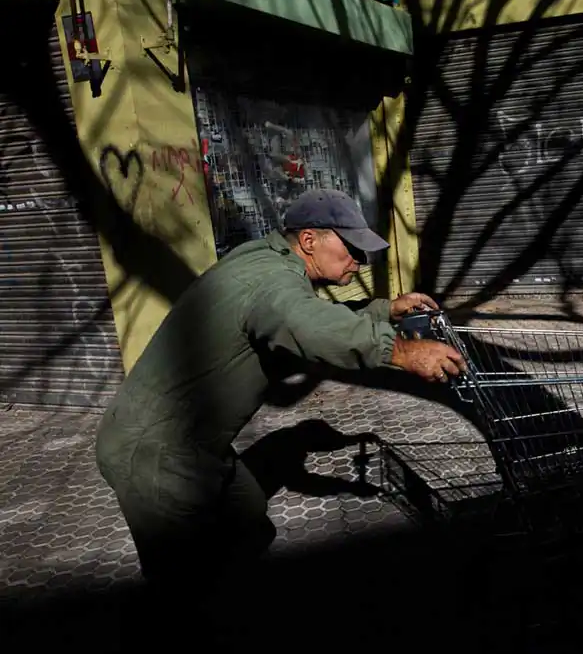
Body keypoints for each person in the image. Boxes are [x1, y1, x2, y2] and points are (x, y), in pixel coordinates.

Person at [95, 188, 467, 587]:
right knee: (184, 580)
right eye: (352, 250)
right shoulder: (272, 281)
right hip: (155, 452)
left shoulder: (266, 259)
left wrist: (383, 309)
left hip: (195, 444)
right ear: (309, 240)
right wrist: (400, 351)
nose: (359, 262)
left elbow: (306, 315)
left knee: (248, 523)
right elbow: (307, 325)